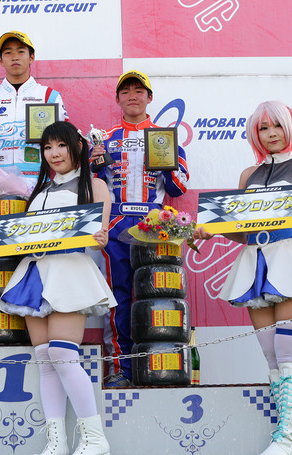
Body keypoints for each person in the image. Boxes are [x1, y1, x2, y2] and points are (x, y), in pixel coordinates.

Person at [194, 100, 292, 455]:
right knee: (272, 358)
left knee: (289, 353)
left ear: (289, 127)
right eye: (263, 128)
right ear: (255, 134)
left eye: (276, 125)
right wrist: (213, 230)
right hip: (255, 261)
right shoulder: (248, 175)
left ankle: (288, 439)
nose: (271, 133)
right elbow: (244, 231)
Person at [0, 122, 115, 455]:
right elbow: (21, 237)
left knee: (63, 355)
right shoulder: (38, 192)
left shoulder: (95, 185)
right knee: (45, 360)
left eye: (61, 145)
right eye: (48, 147)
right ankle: (57, 443)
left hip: (70, 272)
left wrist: (101, 237)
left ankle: (95, 439)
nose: (54, 153)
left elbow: (100, 233)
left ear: (77, 147)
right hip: (35, 274)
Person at [90, 70, 189, 386]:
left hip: (154, 224)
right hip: (116, 221)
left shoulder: (165, 136)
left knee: (155, 294)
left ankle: (158, 366)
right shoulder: (104, 138)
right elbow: (92, 186)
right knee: (117, 297)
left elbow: (178, 188)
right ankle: (122, 368)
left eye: (138, 90)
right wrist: (94, 162)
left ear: (149, 97)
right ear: (117, 99)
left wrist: (167, 161)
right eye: (126, 91)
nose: (132, 96)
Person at [0, 31, 69, 184]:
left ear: (31, 57)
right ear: (0, 60)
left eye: (21, 51)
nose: (15, 57)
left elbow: (65, 142)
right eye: (8, 52)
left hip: (36, 183)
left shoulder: (49, 96)